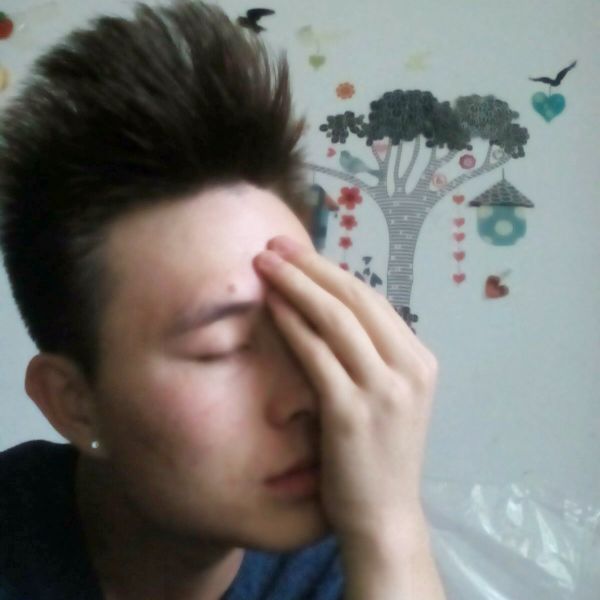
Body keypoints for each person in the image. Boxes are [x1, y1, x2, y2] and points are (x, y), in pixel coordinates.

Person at [0, 2, 446, 599]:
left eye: (304, 326)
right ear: (76, 404)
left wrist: (392, 530)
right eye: (224, 349)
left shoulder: (358, 555)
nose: (308, 399)